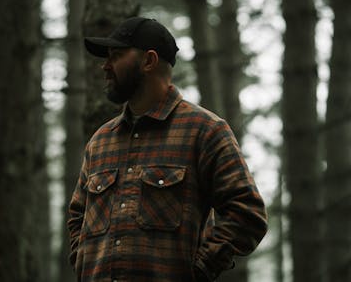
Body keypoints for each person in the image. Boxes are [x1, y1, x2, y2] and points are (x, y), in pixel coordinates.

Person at [68, 17, 267, 282]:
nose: (105, 67)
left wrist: (200, 270)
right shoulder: (100, 141)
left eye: (116, 56)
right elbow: (77, 217)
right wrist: (84, 264)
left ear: (148, 61)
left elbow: (247, 214)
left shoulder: (205, 131)